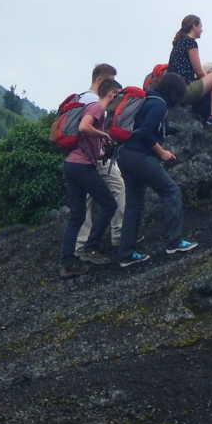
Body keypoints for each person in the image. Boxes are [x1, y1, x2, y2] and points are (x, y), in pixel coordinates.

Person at [116, 72, 198, 267]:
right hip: (139, 155)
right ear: (175, 92)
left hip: (124, 154)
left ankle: (126, 254)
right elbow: (145, 132)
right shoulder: (159, 105)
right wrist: (161, 152)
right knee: (171, 191)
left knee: (134, 204)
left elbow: (147, 127)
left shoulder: (148, 98)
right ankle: (174, 242)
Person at [59, 78, 122, 277]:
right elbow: (84, 128)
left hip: (72, 163)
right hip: (81, 167)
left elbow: (87, 145)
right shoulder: (96, 108)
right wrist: (104, 136)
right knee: (109, 204)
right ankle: (91, 247)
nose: (118, 101)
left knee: (77, 214)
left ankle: (67, 262)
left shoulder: (93, 108)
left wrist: (104, 153)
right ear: (111, 93)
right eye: (117, 95)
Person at [73, 63, 130, 255]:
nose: (113, 91)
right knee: (117, 188)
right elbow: (86, 128)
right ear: (100, 80)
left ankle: (81, 245)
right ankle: (119, 234)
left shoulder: (79, 97)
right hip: (94, 156)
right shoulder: (95, 102)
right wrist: (104, 139)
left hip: (78, 156)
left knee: (86, 202)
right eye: (111, 83)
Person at [168, 15, 212, 107]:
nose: (202, 30)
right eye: (200, 27)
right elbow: (199, 72)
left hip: (174, 92)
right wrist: (208, 79)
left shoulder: (179, 43)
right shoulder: (190, 42)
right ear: (194, 26)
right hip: (186, 91)